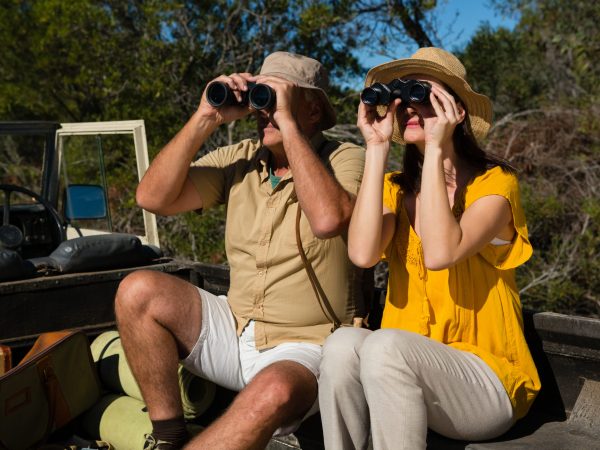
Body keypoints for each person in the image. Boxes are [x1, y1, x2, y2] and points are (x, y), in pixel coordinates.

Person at [114, 52, 367, 449]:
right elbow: (152, 197)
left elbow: (328, 220)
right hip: (235, 327)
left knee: (271, 393)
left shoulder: (346, 158)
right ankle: (167, 437)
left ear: (313, 109)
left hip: (305, 346)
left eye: (276, 96)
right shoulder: (242, 159)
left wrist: (286, 124)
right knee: (137, 291)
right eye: (260, 97)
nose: (263, 110)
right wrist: (205, 118)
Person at [318, 47, 541, 449]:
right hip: (406, 375)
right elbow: (362, 254)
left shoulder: (494, 185)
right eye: (402, 100)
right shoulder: (393, 188)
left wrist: (438, 149)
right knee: (340, 345)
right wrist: (376, 148)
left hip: (488, 382)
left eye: (423, 94)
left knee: (385, 344)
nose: (409, 108)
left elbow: (441, 252)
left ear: (455, 110)